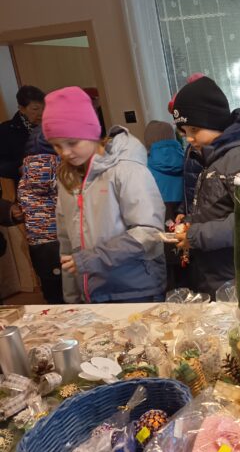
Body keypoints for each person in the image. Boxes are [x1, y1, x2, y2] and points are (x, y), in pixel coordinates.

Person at [44, 86, 166, 303]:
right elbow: (66, 242)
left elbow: (149, 231)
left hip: (135, 290)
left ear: (91, 133)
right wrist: (72, 297)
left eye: (72, 142)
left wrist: (93, 259)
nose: (65, 153)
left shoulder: (126, 169)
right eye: (56, 146)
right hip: (91, 294)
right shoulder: (67, 179)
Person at [172, 76, 240, 296]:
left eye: (194, 129)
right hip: (223, 277)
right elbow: (218, 208)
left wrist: (196, 235)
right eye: (184, 132)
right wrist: (191, 223)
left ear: (214, 121)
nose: (189, 138)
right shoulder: (216, 157)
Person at [17, 125, 62, 302]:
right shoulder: (60, 171)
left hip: (38, 243)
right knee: (72, 293)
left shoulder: (25, 175)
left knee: (52, 293)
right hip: (61, 240)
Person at [144, 120, 185, 291]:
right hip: (183, 216)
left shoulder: (144, 166)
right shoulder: (187, 159)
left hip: (159, 218)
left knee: (166, 275)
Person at [0, 86, 45, 182]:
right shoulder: (6, 130)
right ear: (22, 109)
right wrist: (20, 169)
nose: (41, 113)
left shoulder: (52, 124)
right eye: (35, 109)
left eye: (44, 108)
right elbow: (2, 165)